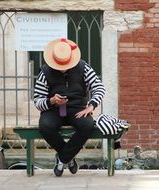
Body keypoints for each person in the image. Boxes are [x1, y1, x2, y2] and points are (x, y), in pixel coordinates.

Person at [33, 38, 105, 177]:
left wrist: (92, 105)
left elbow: (99, 87)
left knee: (87, 125)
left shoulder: (83, 67)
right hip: (53, 110)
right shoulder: (45, 72)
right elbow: (37, 100)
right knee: (45, 126)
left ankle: (62, 159)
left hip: (77, 109)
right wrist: (51, 101)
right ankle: (69, 158)